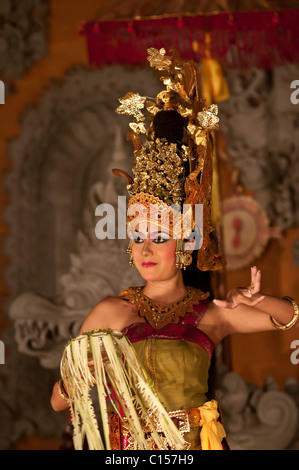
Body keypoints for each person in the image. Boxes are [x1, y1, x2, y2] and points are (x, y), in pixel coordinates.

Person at [50, 47, 298, 450]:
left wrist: (253, 298)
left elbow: (289, 318)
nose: (147, 249)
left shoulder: (213, 315)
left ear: (184, 245)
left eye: (160, 238)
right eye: (138, 237)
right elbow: (59, 401)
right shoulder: (111, 312)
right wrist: (83, 372)